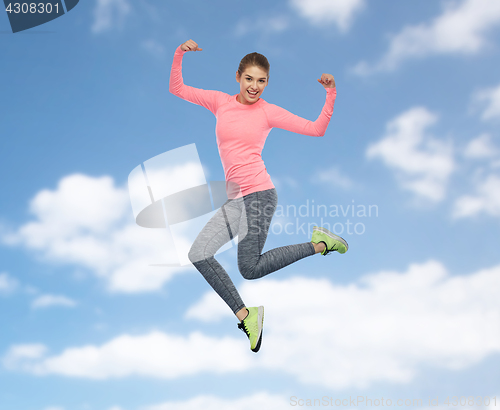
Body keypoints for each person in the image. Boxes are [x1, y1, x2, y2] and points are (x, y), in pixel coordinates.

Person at [169, 39, 348, 353]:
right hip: (236, 199)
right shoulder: (219, 102)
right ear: (237, 76)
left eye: (261, 81)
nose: (254, 87)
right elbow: (178, 89)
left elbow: (316, 128)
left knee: (249, 269)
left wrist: (330, 92)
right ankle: (246, 315)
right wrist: (179, 53)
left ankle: (321, 243)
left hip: (261, 196)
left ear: (267, 83)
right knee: (198, 255)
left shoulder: (268, 112)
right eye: (249, 79)